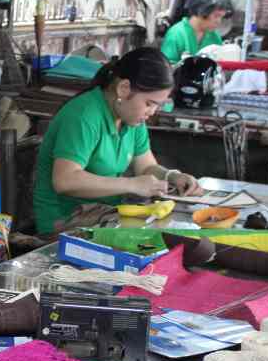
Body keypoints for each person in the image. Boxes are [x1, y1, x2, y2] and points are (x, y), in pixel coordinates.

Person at [33, 47, 203, 235]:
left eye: (157, 105)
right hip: (65, 222)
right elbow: (65, 181)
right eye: (149, 103)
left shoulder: (131, 119)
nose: (152, 112)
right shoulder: (83, 116)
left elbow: (146, 167)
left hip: (106, 214)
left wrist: (171, 176)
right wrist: (132, 184)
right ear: (123, 88)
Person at [160, 0, 233, 64]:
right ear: (202, 11)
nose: (219, 21)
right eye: (216, 16)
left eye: (221, 17)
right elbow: (165, 67)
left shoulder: (214, 36)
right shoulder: (176, 34)